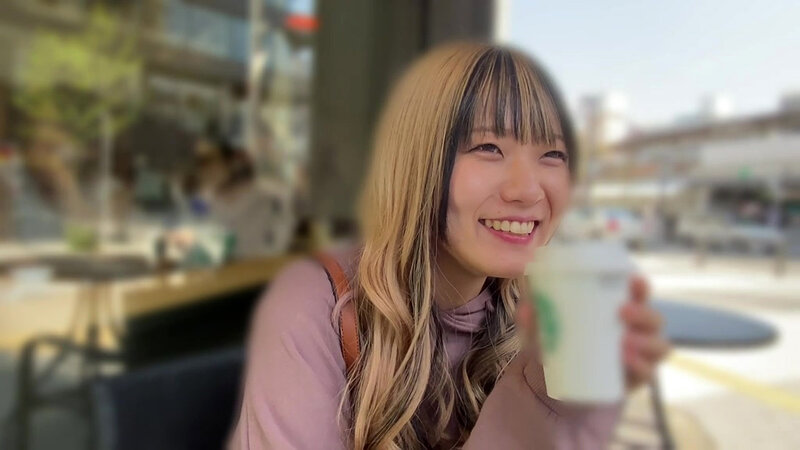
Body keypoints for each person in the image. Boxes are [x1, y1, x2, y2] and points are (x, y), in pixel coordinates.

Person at [229, 43, 670, 449]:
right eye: (488, 147)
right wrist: (532, 405)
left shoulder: (542, 317)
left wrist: (582, 404)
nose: (528, 190)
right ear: (418, 164)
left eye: (553, 154)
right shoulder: (314, 304)